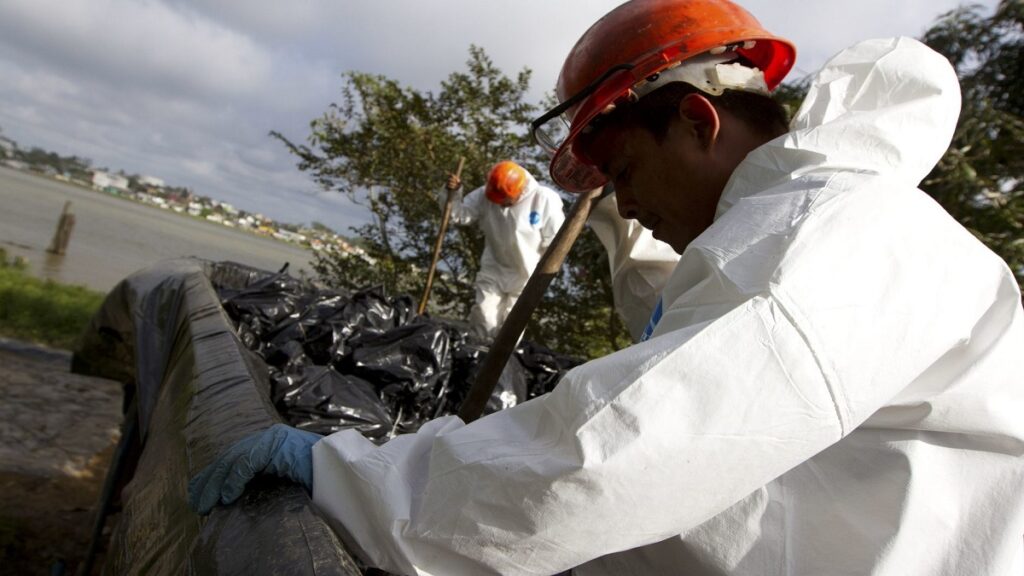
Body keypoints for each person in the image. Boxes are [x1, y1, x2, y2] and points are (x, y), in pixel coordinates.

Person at [190, 1, 1024, 574]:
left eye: (625, 172)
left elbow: (613, 455)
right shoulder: (805, 229)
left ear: (696, 124)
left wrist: (355, 479)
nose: (624, 205)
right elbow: (682, 365)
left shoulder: (820, 238)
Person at [444, 160, 565, 340]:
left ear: (519, 192)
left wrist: (544, 276)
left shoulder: (544, 199)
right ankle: (476, 360)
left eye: (505, 201)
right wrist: (452, 194)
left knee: (510, 327)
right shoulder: (485, 195)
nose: (501, 205)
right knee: (483, 317)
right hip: (494, 267)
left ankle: (501, 365)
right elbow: (459, 215)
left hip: (526, 275)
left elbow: (557, 242)